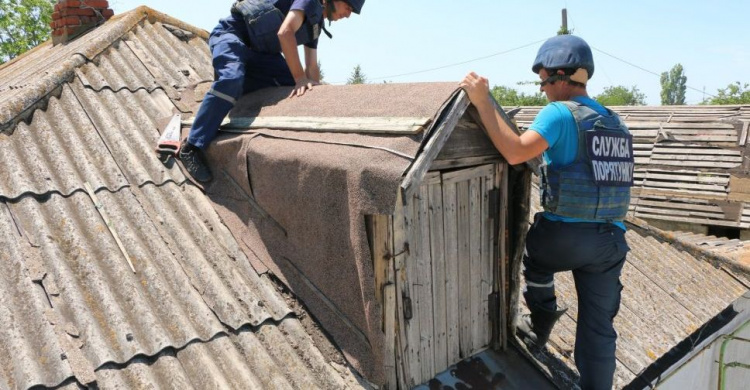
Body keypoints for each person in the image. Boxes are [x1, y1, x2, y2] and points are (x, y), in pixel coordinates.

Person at [460, 35, 633, 390]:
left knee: (533, 256)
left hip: (564, 238)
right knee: (599, 329)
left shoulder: (559, 112)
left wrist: (481, 101)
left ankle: (539, 324)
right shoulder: (616, 122)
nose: (543, 91)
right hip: (611, 242)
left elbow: (515, 151)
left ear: (559, 76)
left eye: (543, 82)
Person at [179, 0, 365, 182]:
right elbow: (285, 33)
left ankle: (232, 95)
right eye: (348, 7)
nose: (348, 14)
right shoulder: (309, 2)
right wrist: (300, 80)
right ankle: (192, 146)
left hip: (262, 56)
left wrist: (315, 99)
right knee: (231, 80)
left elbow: (311, 67)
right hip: (233, 36)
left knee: (288, 87)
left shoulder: (315, 25)